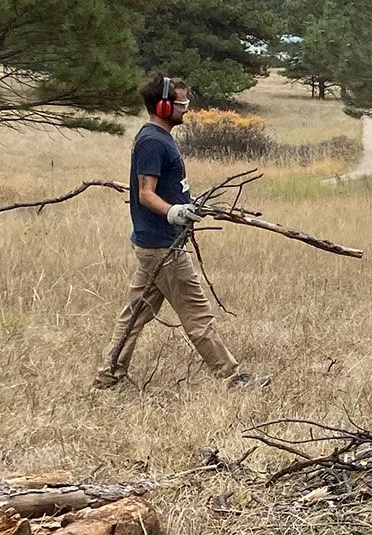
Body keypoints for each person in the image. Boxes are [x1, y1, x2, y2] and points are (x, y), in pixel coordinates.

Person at [93, 74, 266, 391]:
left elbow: (165, 189)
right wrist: (173, 212)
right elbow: (146, 193)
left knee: (134, 314)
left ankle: (108, 375)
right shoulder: (152, 142)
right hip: (163, 246)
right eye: (181, 102)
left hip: (156, 243)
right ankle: (232, 377)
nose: (186, 108)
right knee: (198, 315)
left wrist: (189, 203)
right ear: (161, 106)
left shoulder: (160, 139)